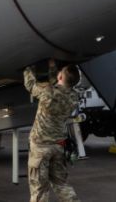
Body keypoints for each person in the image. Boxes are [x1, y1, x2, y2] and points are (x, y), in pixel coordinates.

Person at [24, 58, 81, 202]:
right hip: (58, 146)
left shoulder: (47, 92)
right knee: (61, 184)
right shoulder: (74, 97)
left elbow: (30, 85)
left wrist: (28, 68)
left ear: (60, 76)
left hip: (41, 147)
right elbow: (57, 86)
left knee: (39, 190)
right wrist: (53, 68)